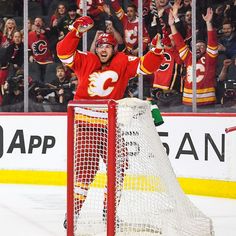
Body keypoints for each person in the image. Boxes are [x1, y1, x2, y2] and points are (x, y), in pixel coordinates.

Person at [56, 15, 164, 228]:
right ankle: (73, 212)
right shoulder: (86, 60)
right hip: (86, 124)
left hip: (110, 126)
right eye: (101, 46)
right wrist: (75, 31)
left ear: (115, 49)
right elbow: (63, 52)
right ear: (96, 48)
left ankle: (109, 212)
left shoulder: (123, 61)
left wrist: (157, 51)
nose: (103, 49)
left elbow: (146, 66)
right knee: (85, 171)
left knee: (119, 167)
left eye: (108, 46)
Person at [169, 7, 218, 106]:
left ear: (206, 49)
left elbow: (212, 42)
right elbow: (179, 43)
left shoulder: (210, 58)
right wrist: (172, 25)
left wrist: (208, 23)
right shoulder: (189, 57)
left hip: (207, 103)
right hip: (188, 102)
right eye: (196, 46)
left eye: (202, 46)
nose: (198, 48)